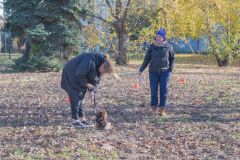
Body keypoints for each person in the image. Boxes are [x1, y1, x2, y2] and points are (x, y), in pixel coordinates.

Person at [61, 53, 114, 128]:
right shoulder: (89, 61)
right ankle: (75, 121)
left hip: (80, 77)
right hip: (70, 73)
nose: (102, 73)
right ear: (103, 65)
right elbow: (79, 74)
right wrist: (87, 84)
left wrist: (92, 90)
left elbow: (96, 79)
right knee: (75, 97)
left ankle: (82, 119)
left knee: (81, 98)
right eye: (103, 71)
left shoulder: (99, 65)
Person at [139, 28, 175, 116]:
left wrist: (170, 69)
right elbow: (146, 59)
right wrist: (141, 69)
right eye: (157, 36)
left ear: (163, 37)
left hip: (164, 73)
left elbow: (172, 59)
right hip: (153, 72)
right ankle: (154, 109)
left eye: (160, 37)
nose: (158, 38)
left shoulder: (169, 47)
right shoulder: (151, 47)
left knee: (164, 91)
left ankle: (162, 110)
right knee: (153, 91)